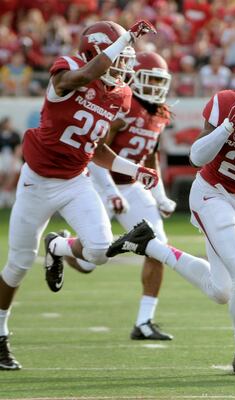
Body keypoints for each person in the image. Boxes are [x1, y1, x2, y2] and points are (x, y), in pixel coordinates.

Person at [107, 53, 235, 376]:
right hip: (211, 192)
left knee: (222, 290)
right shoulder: (227, 104)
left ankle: (149, 244)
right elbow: (198, 156)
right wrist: (230, 124)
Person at [0, 20, 158, 371]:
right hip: (36, 182)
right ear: (97, 52)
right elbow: (80, 79)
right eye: (119, 56)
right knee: (18, 265)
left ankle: (58, 246)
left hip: (76, 181)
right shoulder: (68, 70)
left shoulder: (121, 93)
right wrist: (120, 42)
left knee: (100, 252)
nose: (124, 65)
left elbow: (97, 146)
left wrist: (136, 170)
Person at [70, 52, 176, 340]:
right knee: (88, 262)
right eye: (150, 79)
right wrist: (110, 192)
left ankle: (144, 322)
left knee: (159, 247)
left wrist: (161, 196)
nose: (155, 86)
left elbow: (150, 159)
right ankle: (61, 246)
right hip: (99, 183)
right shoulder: (123, 107)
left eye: (159, 81)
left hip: (132, 185)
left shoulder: (159, 113)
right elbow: (95, 153)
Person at [0, 117, 22, 208]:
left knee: (15, 170)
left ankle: (6, 192)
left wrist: (14, 160)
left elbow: (18, 149)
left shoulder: (15, 135)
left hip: (12, 157)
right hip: (1, 156)